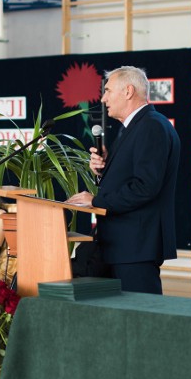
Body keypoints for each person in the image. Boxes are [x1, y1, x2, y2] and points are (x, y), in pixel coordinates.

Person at [66, 65, 181, 294]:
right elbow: (132, 178)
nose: (103, 98)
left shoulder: (151, 127)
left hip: (136, 246)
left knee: (141, 318)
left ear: (128, 91)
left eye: (108, 90)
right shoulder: (134, 127)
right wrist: (104, 171)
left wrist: (96, 201)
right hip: (123, 245)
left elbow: (145, 187)